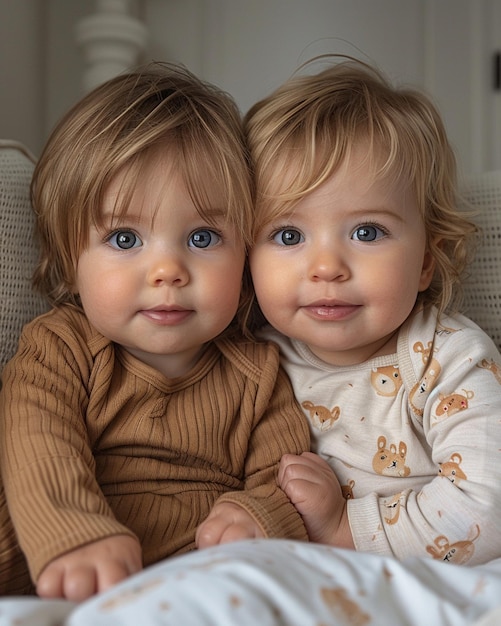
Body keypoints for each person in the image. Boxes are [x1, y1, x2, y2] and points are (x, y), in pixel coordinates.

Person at [0, 63, 310, 601]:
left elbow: (285, 477)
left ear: (247, 257)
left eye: (203, 237)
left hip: (191, 568)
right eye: (124, 239)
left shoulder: (259, 370)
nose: (168, 270)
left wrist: (256, 513)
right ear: (70, 262)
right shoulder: (60, 346)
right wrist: (77, 532)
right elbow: (38, 441)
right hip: (47, 545)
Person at [245, 56, 501, 566]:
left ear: (426, 261)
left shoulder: (445, 357)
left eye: (367, 232)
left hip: (430, 583)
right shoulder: (248, 358)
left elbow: (487, 505)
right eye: (289, 235)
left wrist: (345, 528)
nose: (327, 267)